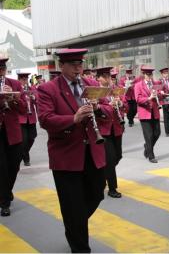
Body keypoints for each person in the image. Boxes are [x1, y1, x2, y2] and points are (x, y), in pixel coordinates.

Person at [37, 49, 111, 252]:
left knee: (97, 194)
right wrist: (73, 118)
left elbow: (109, 109)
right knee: (72, 203)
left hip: (92, 152)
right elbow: (45, 119)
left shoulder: (91, 85)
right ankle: (80, 246)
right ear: (62, 66)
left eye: (80, 64)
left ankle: (73, 223)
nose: (78, 69)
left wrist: (98, 109)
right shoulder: (47, 89)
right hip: (66, 155)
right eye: (73, 65)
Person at [0, 58, 27, 217]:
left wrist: (13, 98)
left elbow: (23, 109)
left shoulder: (15, 84)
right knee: (1, 167)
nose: (1, 70)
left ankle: (7, 190)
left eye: (3, 67)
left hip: (12, 131)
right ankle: (4, 202)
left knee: (14, 165)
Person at [96, 67, 127, 199]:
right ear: (98, 78)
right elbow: (95, 107)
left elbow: (127, 106)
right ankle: (112, 188)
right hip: (104, 129)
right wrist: (109, 105)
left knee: (118, 156)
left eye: (109, 76)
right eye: (104, 76)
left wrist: (120, 103)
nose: (108, 79)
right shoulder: (96, 91)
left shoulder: (115, 90)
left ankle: (102, 175)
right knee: (109, 159)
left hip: (116, 128)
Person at [135, 65, 161, 163]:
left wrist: (160, 94)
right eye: (148, 74)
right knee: (149, 135)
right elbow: (138, 99)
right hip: (145, 113)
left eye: (151, 74)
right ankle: (151, 155)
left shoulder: (155, 84)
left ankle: (147, 147)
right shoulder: (138, 85)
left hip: (155, 111)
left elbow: (159, 95)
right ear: (144, 74)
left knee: (157, 133)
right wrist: (149, 98)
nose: (150, 76)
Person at [17, 72, 38, 167]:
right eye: (23, 79)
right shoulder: (17, 90)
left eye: (26, 79)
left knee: (32, 138)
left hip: (31, 117)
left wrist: (33, 97)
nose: (25, 81)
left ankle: (22, 153)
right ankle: (26, 158)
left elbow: (38, 99)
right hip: (22, 118)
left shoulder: (31, 89)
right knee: (24, 140)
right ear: (19, 80)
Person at [158, 67, 169, 137]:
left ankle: (168, 128)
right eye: (164, 73)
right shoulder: (160, 81)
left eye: (167, 73)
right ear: (162, 74)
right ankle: (167, 131)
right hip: (164, 99)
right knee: (166, 116)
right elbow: (157, 89)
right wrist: (160, 92)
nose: (166, 74)